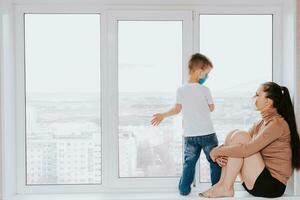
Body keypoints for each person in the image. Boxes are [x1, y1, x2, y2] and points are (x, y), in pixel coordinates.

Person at [199, 82, 300, 198]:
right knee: (234, 134)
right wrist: (221, 151)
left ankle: (225, 187)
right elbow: (239, 143)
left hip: (272, 186)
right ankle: (223, 185)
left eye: (257, 95)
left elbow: (246, 150)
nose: (253, 98)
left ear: (268, 101)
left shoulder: (277, 125)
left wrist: (215, 152)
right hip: (257, 180)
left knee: (241, 136)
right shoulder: (261, 123)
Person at [151, 53, 221, 196]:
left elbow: (177, 109)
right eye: (207, 74)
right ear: (199, 71)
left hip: (190, 136)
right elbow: (212, 108)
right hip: (208, 134)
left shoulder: (181, 90)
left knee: (189, 163)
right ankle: (217, 188)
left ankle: (184, 189)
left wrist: (163, 115)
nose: (207, 77)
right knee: (214, 161)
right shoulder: (205, 90)